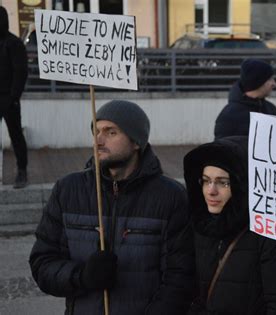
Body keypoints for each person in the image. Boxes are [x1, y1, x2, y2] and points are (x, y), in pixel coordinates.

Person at [29, 100, 195, 314]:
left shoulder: (170, 196)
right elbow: (42, 263)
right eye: (96, 131)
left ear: (136, 141)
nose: (98, 140)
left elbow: (180, 278)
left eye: (111, 132)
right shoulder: (68, 190)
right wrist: (81, 276)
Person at [183, 136, 276, 314]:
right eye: (206, 180)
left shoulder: (267, 233)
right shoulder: (200, 226)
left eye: (223, 183)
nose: (211, 191)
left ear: (242, 185)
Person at [214, 58, 276, 139]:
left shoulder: (272, 110)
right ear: (257, 81)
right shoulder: (229, 116)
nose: (274, 83)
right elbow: (219, 150)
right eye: (270, 79)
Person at [0, 6, 29, 188]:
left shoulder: (14, 43)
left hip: (8, 98)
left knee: (16, 135)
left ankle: (22, 171)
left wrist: (13, 97)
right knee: (16, 135)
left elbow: (21, 72)